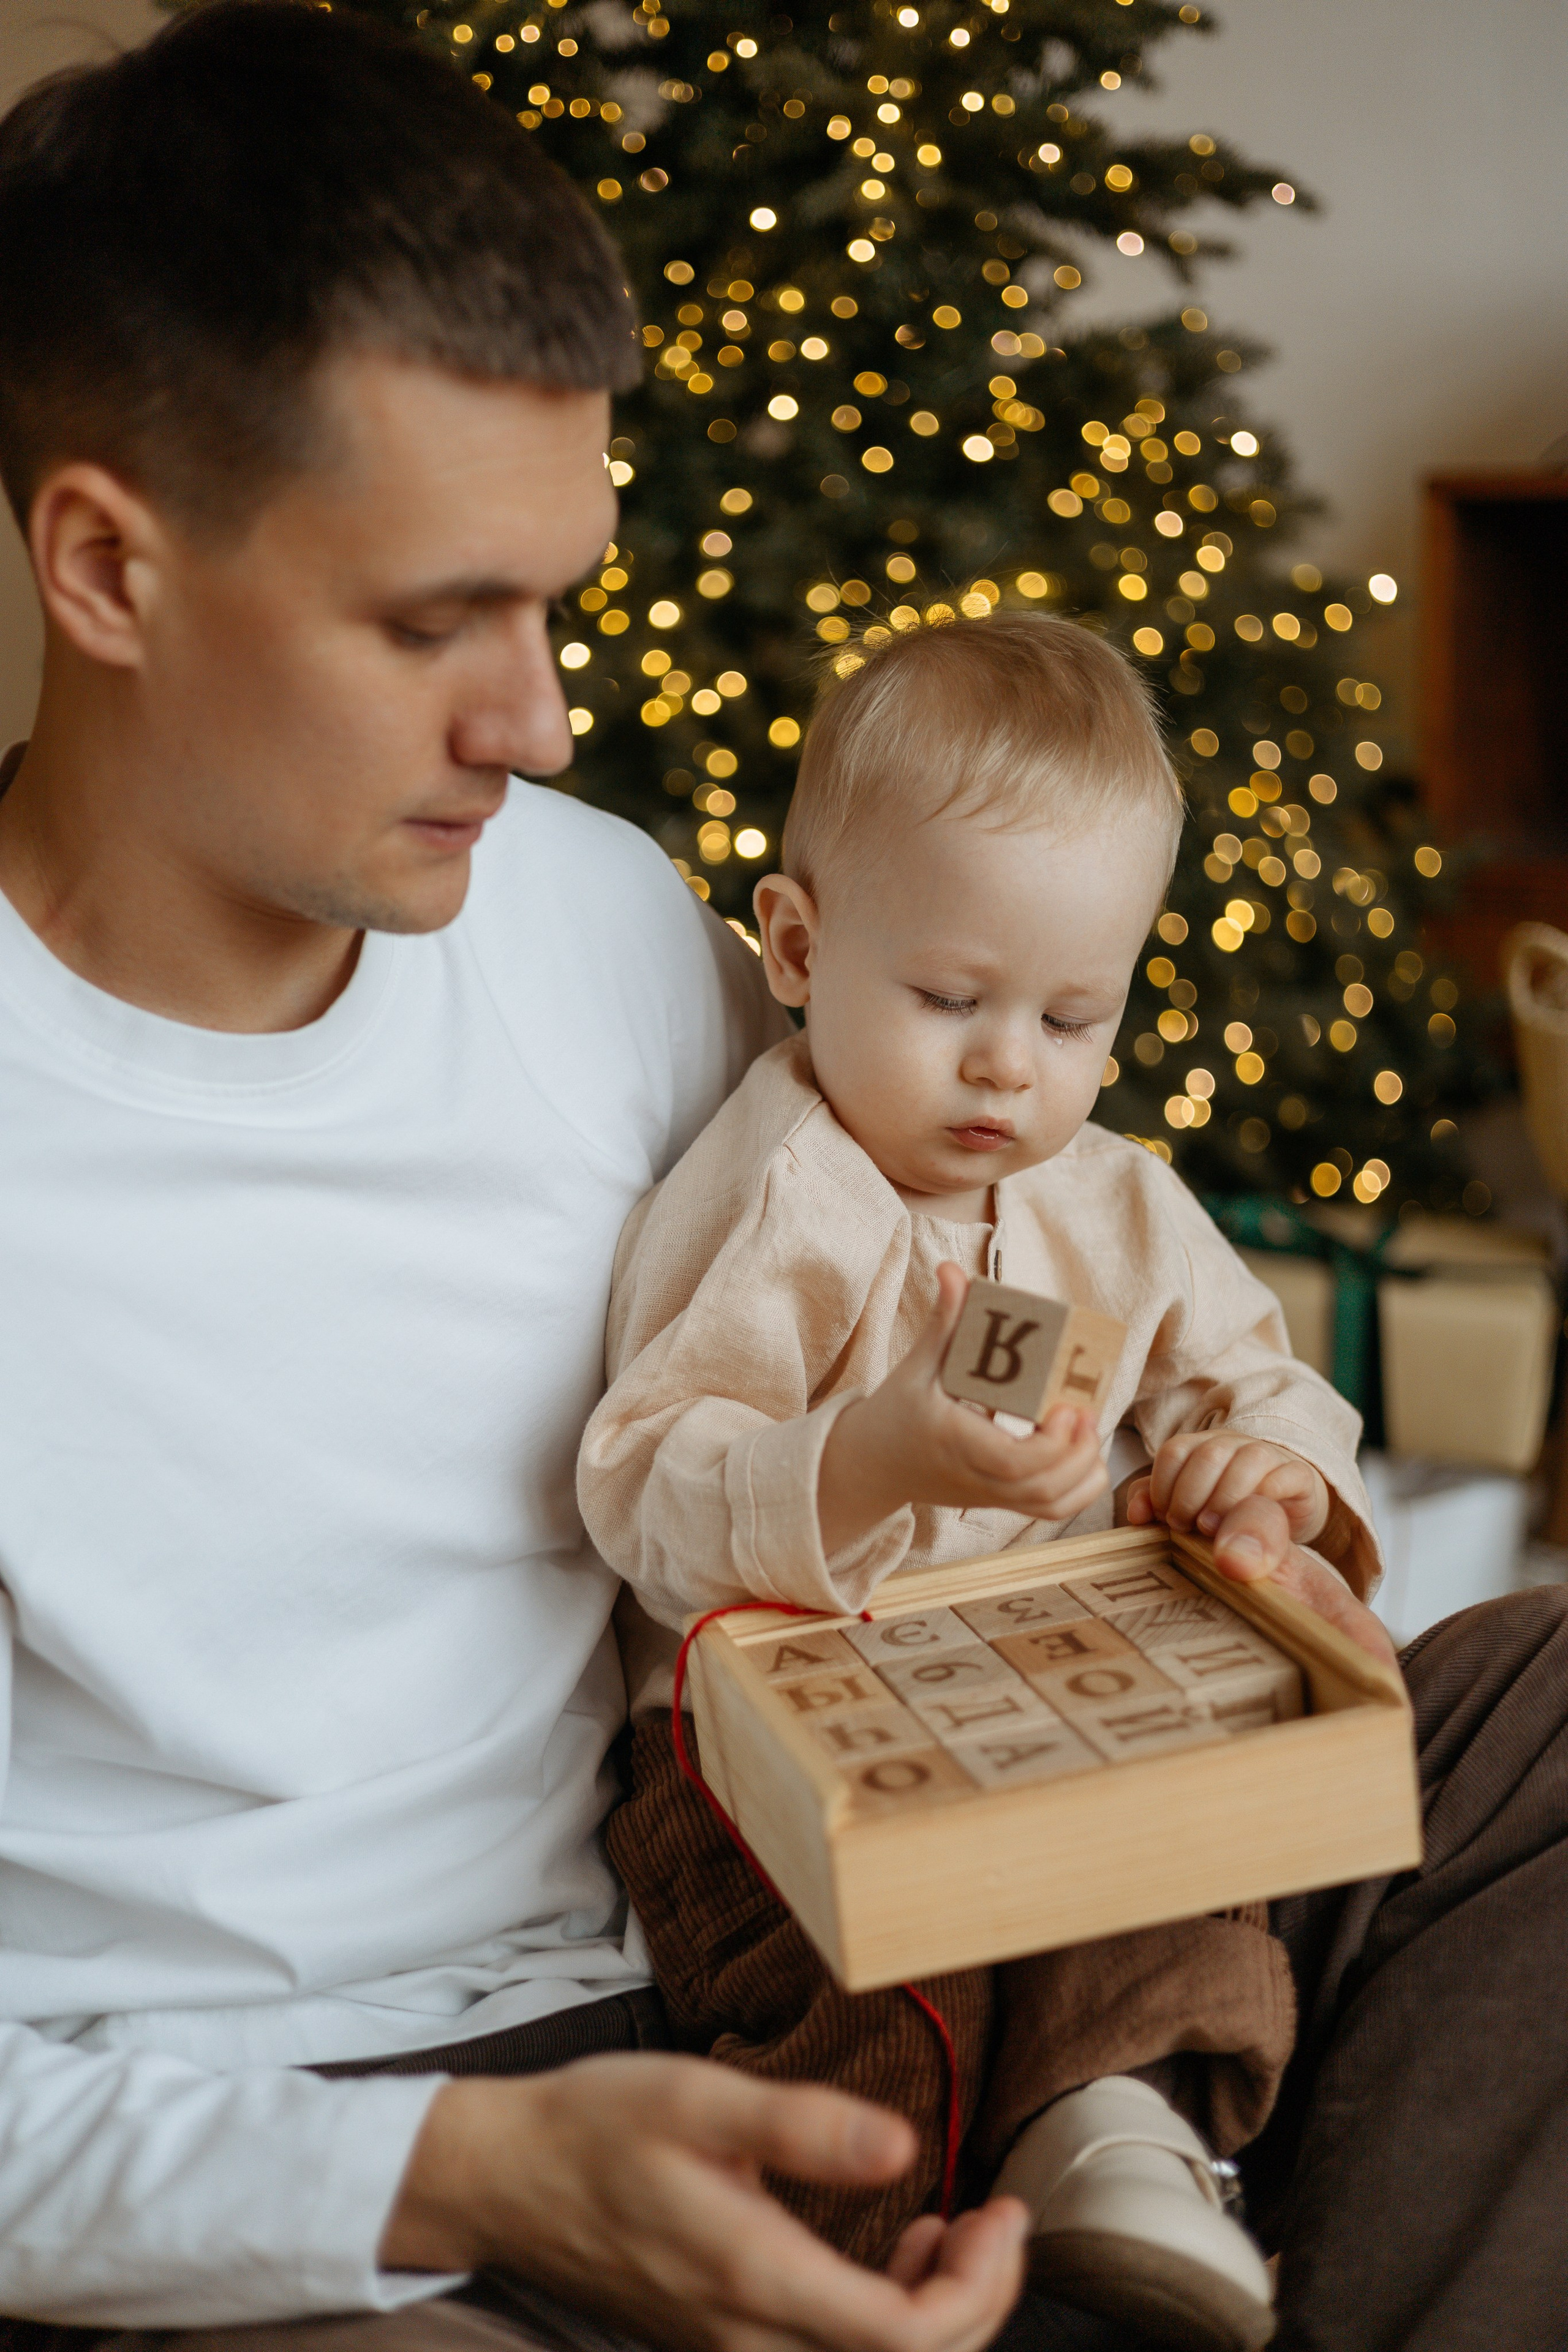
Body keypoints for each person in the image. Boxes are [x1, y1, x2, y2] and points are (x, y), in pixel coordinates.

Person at [2, 9, 1568, 2352]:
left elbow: (994, 1226)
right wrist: (467, 2173)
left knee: (1545, 1704)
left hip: (761, 1906)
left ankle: (1120, 2207)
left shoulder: (591, 920)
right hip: (300, 2146)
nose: (541, 721)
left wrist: (1238, 1477)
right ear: (106, 570)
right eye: (433, 620)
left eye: (557, 600)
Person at [578, 613, 1377, 2350]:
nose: (1012, 1063)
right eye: (950, 1000)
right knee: (889, 1978)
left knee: (1173, 1842)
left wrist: (1273, 1480)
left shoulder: (1119, 1205)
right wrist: (869, 1457)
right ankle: (843, 2275)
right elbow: (641, 1484)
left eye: (1073, 1016)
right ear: (800, 947)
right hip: (758, 1748)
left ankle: (1123, 2134)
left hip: (1042, 1692)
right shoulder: (780, 1194)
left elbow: (1272, 1386)